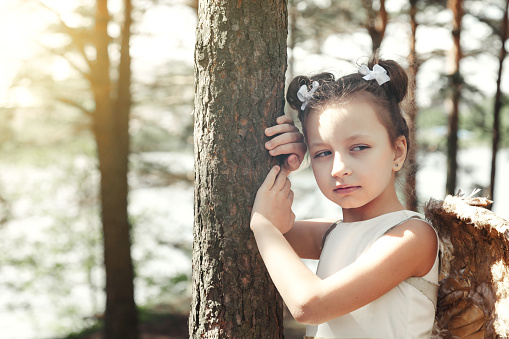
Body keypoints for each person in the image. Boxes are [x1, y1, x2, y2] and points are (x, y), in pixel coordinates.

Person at [250, 56, 439, 338]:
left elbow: (310, 306)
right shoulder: (330, 234)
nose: (339, 169)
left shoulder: (413, 236)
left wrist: (264, 225)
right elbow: (247, 232)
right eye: (323, 153)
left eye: (359, 147)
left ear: (398, 151)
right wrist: (280, 166)